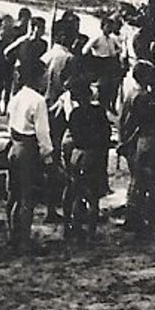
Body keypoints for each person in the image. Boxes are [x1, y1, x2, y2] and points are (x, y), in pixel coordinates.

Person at [119, 34, 155, 234]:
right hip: (149, 143)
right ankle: (145, 219)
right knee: (149, 184)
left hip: (138, 142)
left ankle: (135, 217)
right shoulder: (146, 98)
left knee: (138, 182)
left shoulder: (131, 94)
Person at [5, 60, 54, 254]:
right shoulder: (38, 101)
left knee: (13, 196)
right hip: (28, 149)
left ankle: (12, 236)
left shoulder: (16, 97)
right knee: (27, 197)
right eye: (44, 76)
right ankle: (24, 241)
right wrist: (48, 158)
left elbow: (9, 124)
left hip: (14, 146)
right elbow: (43, 133)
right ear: (37, 76)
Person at [61, 76, 112, 241]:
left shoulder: (75, 114)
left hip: (78, 153)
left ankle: (73, 228)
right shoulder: (99, 112)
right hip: (94, 154)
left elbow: (73, 134)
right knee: (93, 196)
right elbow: (106, 134)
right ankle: (91, 232)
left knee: (76, 192)